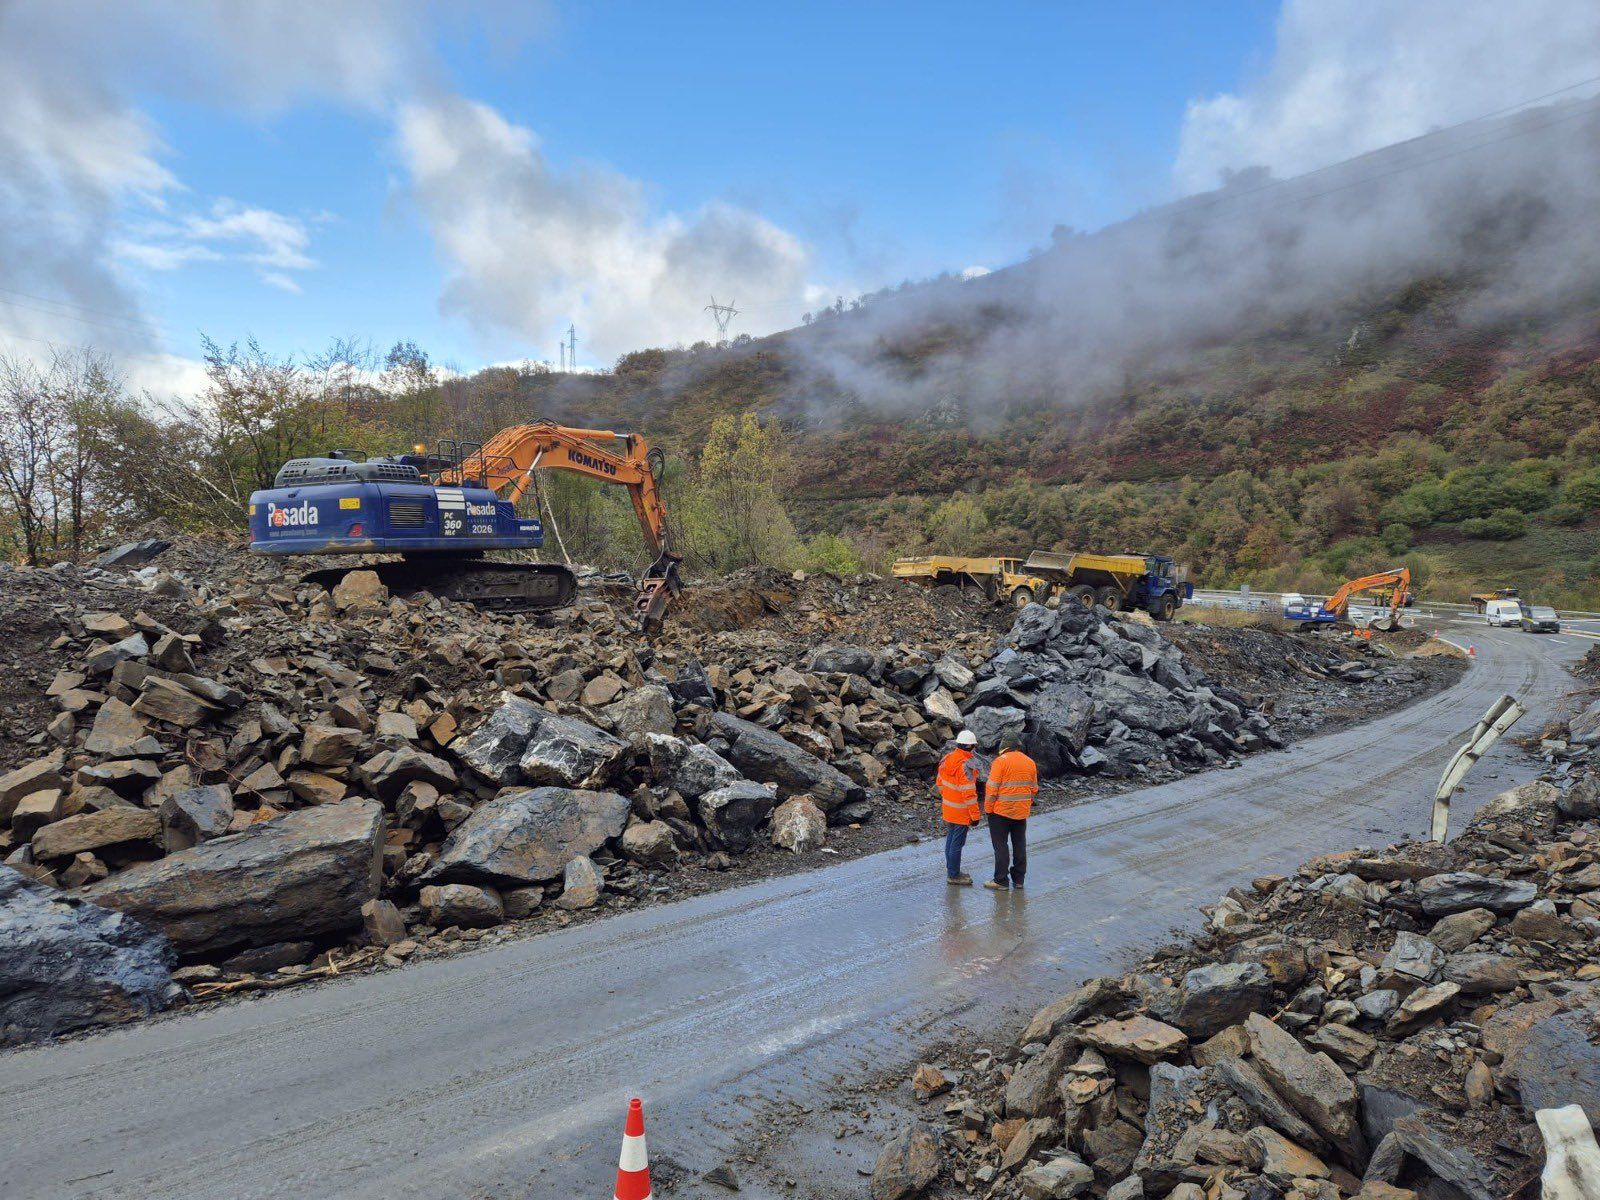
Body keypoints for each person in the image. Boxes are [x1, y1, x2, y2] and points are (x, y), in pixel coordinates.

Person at [984, 733, 1038, 890]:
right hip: (1021, 812)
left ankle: (1001, 880)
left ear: (1004, 748)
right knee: (1019, 844)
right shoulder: (1030, 762)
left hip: (1000, 812)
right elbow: (1034, 788)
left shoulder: (1000, 762)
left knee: (1001, 845)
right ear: (1018, 747)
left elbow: (992, 789)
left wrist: (988, 809)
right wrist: (1025, 803)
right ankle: (1019, 880)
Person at [936, 729, 983, 885]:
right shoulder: (966, 766)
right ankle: (954, 875)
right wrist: (975, 816)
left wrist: (949, 798)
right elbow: (969, 794)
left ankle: (952, 871)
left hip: (949, 808)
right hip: (961, 812)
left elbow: (940, 784)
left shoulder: (947, 759)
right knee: (957, 844)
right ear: (970, 747)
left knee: (950, 841)